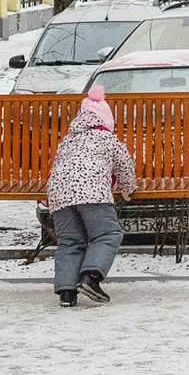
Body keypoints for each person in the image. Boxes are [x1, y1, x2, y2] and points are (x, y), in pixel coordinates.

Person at [42, 83, 137, 308]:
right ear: (106, 120)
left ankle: (66, 292)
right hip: (92, 193)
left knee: (70, 241)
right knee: (108, 234)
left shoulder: (68, 139)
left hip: (59, 195)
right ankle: (91, 278)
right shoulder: (108, 139)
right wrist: (128, 188)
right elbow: (125, 167)